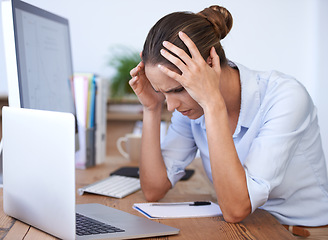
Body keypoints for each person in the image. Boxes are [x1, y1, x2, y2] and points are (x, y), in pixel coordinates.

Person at [129, 5, 328, 238]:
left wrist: (213, 103)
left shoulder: (285, 97)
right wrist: (152, 108)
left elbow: (235, 209)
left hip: (303, 232)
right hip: (244, 229)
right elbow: (153, 189)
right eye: (163, 93)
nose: (171, 106)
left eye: (178, 90)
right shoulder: (191, 108)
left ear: (210, 65)